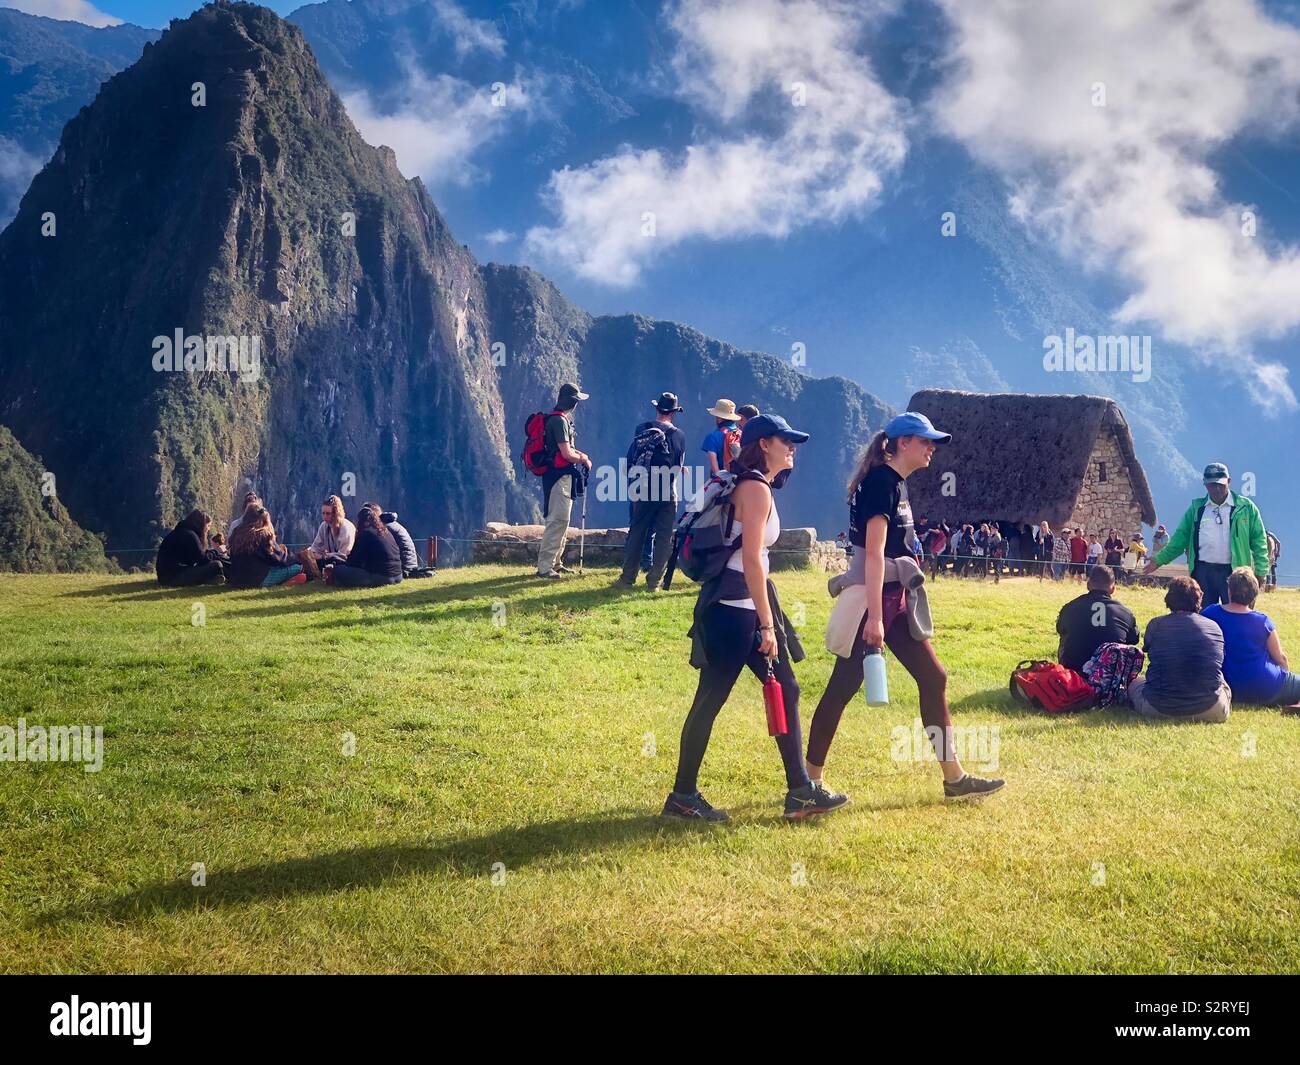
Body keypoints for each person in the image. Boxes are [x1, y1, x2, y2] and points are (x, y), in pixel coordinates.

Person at [806, 411, 1005, 801]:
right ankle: (808, 782)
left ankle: (955, 779)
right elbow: (875, 554)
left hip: (893, 599)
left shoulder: (895, 483)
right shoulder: (882, 483)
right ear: (901, 444)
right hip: (874, 600)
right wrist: (876, 620)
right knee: (842, 687)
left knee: (934, 678)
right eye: (924, 440)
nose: (932, 448)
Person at [663, 414, 848, 822]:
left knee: (786, 688)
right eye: (786, 441)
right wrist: (767, 624)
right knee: (710, 700)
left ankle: (800, 790)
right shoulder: (756, 489)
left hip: (738, 605)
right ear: (764, 444)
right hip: (736, 611)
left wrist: (765, 616)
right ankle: (682, 797)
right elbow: (750, 559)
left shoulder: (744, 483)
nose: (792, 448)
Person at [1144, 462, 1269, 606]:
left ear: (1229, 481)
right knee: (1204, 616)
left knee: (1238, 612)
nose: (1216, 489)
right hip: (1203, 571)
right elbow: (1180, 539)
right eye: (1211, 485)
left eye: (1220, 484)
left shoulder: (1246, 508)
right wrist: (1159, 560)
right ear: (1204, 484)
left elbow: (1259, 541)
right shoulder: (1197, 509)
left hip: (1235, 572)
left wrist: (1261, 571)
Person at [1127, 577, 1231, 722]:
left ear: (1169, 599)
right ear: (1198, 599)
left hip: (1158, 707)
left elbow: (1149, 650)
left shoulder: (1156, 625)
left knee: (1134, 683)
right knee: (1221, 680)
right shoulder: (1214, 627)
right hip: (1211, 709)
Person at [618, 392, 687, 591]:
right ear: (674, 413)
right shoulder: (679, 436)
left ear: (657, 409)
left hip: (642, 490)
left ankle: (627, 579)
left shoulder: (642, 429)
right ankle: (654, 582)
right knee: (664, 538)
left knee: (637, 533)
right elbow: (677, 465)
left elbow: (632, 457)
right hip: (667, 492)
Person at [1202, 568, 1300, 707]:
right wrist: (1285, 679)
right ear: (1254, 594)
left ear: (1229, 591)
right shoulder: (1263, 622)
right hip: (1266, 686)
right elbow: (1280, 658)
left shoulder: (1210, 614)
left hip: (1226, 687)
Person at [536, 382, 593, 580]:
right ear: (573, 402)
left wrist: (580, 454)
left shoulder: (558, 419)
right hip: (558, 478)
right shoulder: (559, 422)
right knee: (557, 520)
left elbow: (566, 450)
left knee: (563, 520)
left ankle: (556, 563)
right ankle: (545, 568)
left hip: (560, 476)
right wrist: (583, 459)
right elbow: (566, 453)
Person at [1055, 565, 1139, 671]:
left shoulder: (1071, 607)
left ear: (1088, 585)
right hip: (1109, 676)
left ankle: (1064, 671)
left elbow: (1060, 629)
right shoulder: (1125, 613)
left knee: (1065, 635)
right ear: (1113, 588)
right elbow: (1134, 639)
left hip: (1074, 673)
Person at [228, 505, 306, 588]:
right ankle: (283, 584)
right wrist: (296, 559)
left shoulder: (236, 533)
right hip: (258, 580)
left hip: (236, 581)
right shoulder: (263, 534)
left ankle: (283, 582)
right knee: (297, 568)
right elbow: (278, 558)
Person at [330, 504, 403, 588]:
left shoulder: (366, 533)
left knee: (338, 570)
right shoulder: (385, 531)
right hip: (398, 576)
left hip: (381, 577)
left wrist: (339, 562)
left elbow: (354, 562)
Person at [156, 510, 225, 586]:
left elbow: (197, 555)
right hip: (173, 578)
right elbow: (203, 559)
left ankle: (211, 579)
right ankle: (222, 577)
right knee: (217, 564)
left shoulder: (181, 532)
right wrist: (216, 551)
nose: (208, 529)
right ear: (201, 525)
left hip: (165, 577)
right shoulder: (190, 535)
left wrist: (212, 552)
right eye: (208, 526)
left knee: (215, 560)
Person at [306, 495, 355, 566]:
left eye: (328, 514)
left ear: (335, 514)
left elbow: (343, 555)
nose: (325, 517)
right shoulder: (324, 526)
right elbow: (315, 548)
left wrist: (324, 556)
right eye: (323, 513)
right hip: (331, 562)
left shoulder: (346, 528)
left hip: (347, 564)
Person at [700, 398, 741, 477]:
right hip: (742, 480)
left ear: (719, 418)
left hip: (724, 482)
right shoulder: (741, 434)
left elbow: (716, 471)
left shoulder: (712, 437)